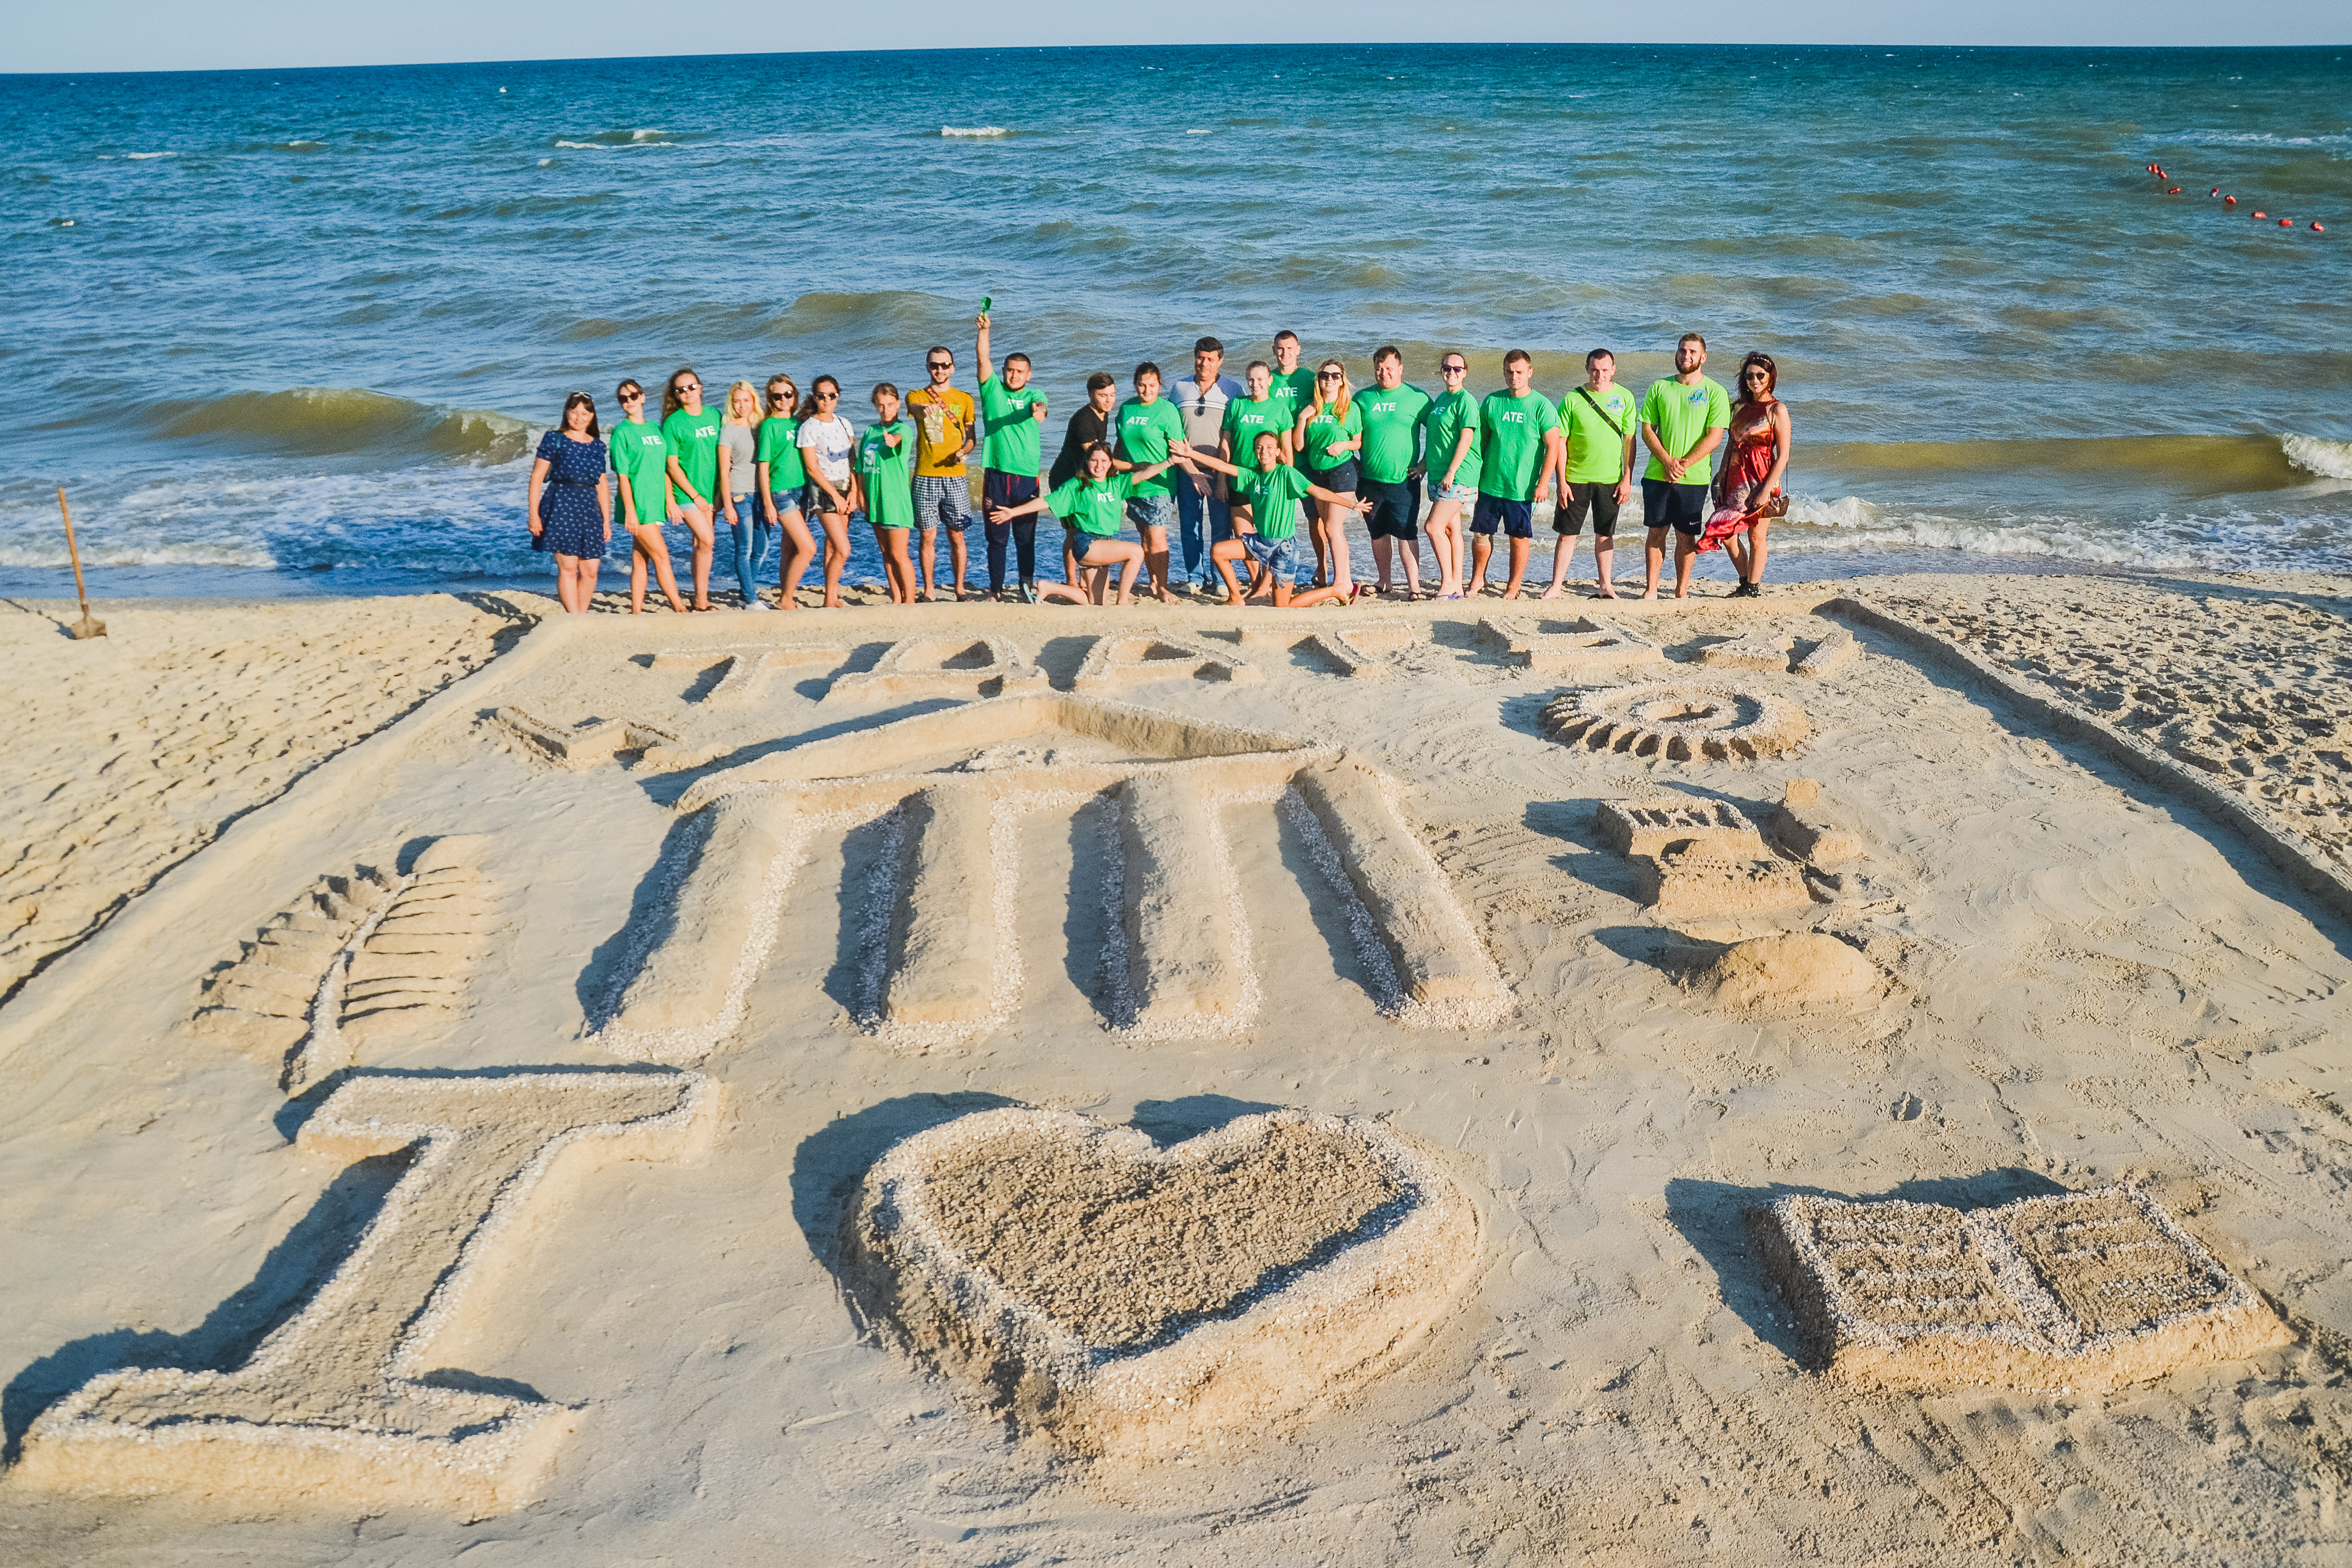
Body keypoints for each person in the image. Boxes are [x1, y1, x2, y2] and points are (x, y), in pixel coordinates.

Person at [983, 442, 1184, 607]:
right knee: (1136, 552)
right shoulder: (1077, 487)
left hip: (1103, 546)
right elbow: (1046, 502)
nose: (1099, 465)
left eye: (1104, 461)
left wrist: (1170, 461)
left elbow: (1144, 474)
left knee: (1096, 603)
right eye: (1094, 460)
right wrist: (1013, 512)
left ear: (1110, 463)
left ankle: (1048, 587)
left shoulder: (1116, 484)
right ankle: (1123, 602)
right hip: (1087, 544)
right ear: (1087, 462)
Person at [1181, 433, 1367, 609]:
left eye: (1270, 447)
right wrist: (1190, 453)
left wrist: (1352, 505)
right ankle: (1236, 598)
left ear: (1278, 452)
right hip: (1261, 543)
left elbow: (1318, 492)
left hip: (1283, 549)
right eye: (1259, 448)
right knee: (1218, 551)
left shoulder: (1286, 474)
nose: (1264, 452)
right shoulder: (1252, 477)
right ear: (1255, 451)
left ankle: (1335, 590)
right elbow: (1222, 466)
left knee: (1283, 606)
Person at [1638, 332, 1732, 600]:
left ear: (1703, 357)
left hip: (1694, 478)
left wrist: (1685, 464)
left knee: (1686, 537)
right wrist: (1667, 462)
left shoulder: (1715, 392)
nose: (1686, 356)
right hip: (1658, 474)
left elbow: (1714, 437)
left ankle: (1681, 591)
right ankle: (1652, 589)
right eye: (1682, 351)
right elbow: (1647, 430)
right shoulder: (1660, 387)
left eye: (1692, 352)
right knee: (1656, 533)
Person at [1541, 349, 1638, 601]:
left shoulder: (1625, 397)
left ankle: (1606, 586)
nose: (1600, 375)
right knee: (1567, 534)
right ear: (1587, 369)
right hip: (1575, 478)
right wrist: (1561, 481)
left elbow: (1630, 441)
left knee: (1605, 534)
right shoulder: (1572, 398)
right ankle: (1556, 586)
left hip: (1611, 479)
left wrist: (1627, 479)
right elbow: (1561, 442)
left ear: (1613, 370)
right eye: (1595, 370)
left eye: (1605, 370)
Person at [1470, 350, 1563, 599]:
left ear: (1530, 372)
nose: (1514, 377)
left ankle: (1514, 585)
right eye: (1510, 372)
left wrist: (1543, 483)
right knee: (1481, 534)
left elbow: (1553, 447)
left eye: (1520, 372)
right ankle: (1478, 578)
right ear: (1504, 373)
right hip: (1490, 483)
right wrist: (1474, 478)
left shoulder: (1541, 406)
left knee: (1518, 537)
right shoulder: (1492, 402)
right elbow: (1480, 443)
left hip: (1521, 487)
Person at [974, 310, 1049, 602]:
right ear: (1004, 371)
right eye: (1010, 370)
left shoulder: (1033, 395)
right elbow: (983, 359)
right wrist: (984, 331)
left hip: (1027, 477)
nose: (1014, 375)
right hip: (996, 474)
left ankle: (1026, 590)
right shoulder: (991, 389)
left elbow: (1041, 406)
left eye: (1020, 371)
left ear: (1029, 375)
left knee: (1025, 538)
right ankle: (995, 591)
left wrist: (1039, 412)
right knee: (997, 537)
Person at [1703, 352, 1793, 597]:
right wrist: (1720, 477)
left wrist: (1765, 490)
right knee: (1726, 533)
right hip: (1735, 478)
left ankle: (1751, 587)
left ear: (1771, 377)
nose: (1755, 380)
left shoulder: (1777, 410)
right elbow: (1731, 444)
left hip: (1762, 479)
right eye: (1750, 376)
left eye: (1760, 375)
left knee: (1756, 536)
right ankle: (1745, 580)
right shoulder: (1738, 407)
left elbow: (1783, 455)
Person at [1168, 336, 1242, 593]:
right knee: (1190, 525)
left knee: (1221, 525)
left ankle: (1220, 579)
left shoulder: (1233, 390)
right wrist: (1190, 470)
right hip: (1187, 469)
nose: (1204, 364)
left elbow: (1235, 434)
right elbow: (1172, 431)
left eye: (1211, 359)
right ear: (1195, 358)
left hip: (1218, 468)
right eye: (1200, 358)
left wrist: (1225, 473)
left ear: (1220, 361)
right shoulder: (1179, 388)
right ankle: (1195, 577)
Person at [607, 379, 687, 615]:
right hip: (637, 503)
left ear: (643, 397)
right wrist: (630, 512)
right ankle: (679, 607)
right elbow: (622, 477)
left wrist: (670, 501)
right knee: (661, 555)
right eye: (623, 399)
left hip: (655, 501)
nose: (629, 401)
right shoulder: (622, 433)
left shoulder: (654, 428)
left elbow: (664, 469)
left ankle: (636, 610)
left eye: (633, 396)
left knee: (641, 558)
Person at [527, 391, 611, 614]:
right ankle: (574, 618)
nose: (579, 417)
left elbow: (602, 485)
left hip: (590, 509)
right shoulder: (554, 439)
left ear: (592, 416)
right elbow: (537, 477)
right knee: (569, 567)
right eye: (574, 412)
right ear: (566, 413)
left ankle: (581, 615)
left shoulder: (597, 445)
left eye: (584, 413)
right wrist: (533, 514)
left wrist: (606, 521)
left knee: (591, 570)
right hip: (561, 504)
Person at [1358, 346, 1432, 597]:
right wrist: (1353, 465)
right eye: (1379, 369)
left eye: (1389, 368)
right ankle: (1384, 581)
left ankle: (1414, 586)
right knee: (1378, 532)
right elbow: (1347, 432)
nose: (1384, 374)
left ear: (1400, 369)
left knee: (1406, 532)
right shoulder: (1363, 398)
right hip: (1370, 480)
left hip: (1404, 480)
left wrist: (1424, 465)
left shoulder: (1417, 398)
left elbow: (1439, 432)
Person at [906, 344, 978, 601]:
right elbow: (913, 408)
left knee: (957, 535)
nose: (940, 370)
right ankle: (929, 590)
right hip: (925, 475)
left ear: (953, 368)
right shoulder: (916, 395)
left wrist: (963, 451)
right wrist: (923, 410)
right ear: (928, 368)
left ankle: (959, 588)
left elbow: (972, 438)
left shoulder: (965, 399)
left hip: (955, 475)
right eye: (934, 365)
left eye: (945, 365)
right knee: (928, 535)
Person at [1112, 362, 1188, 602]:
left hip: (1160, 483)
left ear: (1159, 385)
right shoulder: (1126, 409)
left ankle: (1163, 586)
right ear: (1135, 385)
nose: (1147, 390)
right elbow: (1121, 443)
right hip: (1132, 482)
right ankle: (1153, 582)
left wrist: (1195, 474)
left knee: (1157, 538)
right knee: (1144, 537)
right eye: (1142, 385)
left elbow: (1179, 448)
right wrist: (1113, 468)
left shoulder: (1167, 411)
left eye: (1152, 385)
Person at [1296, 359, 1365, 595]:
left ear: (1342, 381)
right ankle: (1345, 582)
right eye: (1325, 376)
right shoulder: (1310, 407)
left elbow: (1358, 442)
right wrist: (1302, 419)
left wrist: (1343, 445)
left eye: (1335, 376)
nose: (1330, 380)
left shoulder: (1349, 408)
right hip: (1317, 474)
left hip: (1342, 471)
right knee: (1328, 529)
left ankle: (1341, 584)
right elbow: (1299, 446)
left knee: (1333, 528)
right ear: (1319, 380)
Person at [1049, 371, 1120, 595]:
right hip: (1066, 480)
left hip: (1084, 479)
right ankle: (1072, 581)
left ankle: (1086, 578)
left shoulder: (1103, 414)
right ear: (1091, 395)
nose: (1109, 400)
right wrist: (1134, 467)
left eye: (1112, 395)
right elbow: (1099, 456)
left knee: (1086, 528)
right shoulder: (1084, 420)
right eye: (1103, 395)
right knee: (1074, 531)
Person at [659, 368, 721, 611]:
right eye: (681, 389)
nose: (688, 392)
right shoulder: (673, 423)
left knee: (701, 544)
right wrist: (694, 496)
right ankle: (702, 599)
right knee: (707, 540)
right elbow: (672, 466)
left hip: (711, 491)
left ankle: (700, 598)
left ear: (700, 388)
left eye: (692, 387)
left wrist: (720, 493)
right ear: (676, 394)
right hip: (686, 493)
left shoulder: (715, 415)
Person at [1421, 353, 1478, 601]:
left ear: (1465, 372)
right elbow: (1437, 439)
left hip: (1459, 473)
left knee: (1433, 527)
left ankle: (1448, 584)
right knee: (1452, 529)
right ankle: (1457, 587)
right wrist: (1423, 466)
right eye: (1447, 368)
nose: (1451, 372)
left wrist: (1452, 471)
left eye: (1457, 368)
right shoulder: (1442, 399)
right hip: (1438, 472)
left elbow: (1467, 438)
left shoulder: (1466, 401)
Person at [794, 377, 856, 609]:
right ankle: (830, 597)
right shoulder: (809, 428)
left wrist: (854, 491)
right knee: (843, 548)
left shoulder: (844, 423)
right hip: (824, 489)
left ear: (838, 396)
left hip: (845, 486)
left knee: (833, 545)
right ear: (814, 397)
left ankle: (831, 596)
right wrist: (836, 496)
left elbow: (852, 461)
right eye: (821, 396)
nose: (827, 400)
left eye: (831, 395)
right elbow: (812, 468)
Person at [854, 382, 918, 603]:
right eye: (881, 405)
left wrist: (892, 441)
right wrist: (861, 494)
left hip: (895, 500)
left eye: (890, 405)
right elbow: (860, 467)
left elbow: (898, 440)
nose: (885, 409)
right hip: (875, 500)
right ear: (875, 405)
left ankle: (910, 601)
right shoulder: (870, 431)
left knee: (899, 554)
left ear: (898, 405)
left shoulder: (903, 430)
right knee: (886, 552)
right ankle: (897, 598)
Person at [757, 374, 816, 611]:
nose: (783, 399)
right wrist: (768, 503)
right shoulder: (769, 426)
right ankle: (786, 599)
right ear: (770, 399)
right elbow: (763, 467)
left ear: (794, 396)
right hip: (780, 492)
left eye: (788, 394)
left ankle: (785, 593)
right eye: (777, 396)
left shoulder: (800, 424)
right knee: (808, 548)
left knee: (789, 548)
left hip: (802, 490)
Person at [716, 380, 770, 610]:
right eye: (737, 401)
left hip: (762, 495)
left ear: (754, 401)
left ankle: (745, 593)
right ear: (732, 404)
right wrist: (728, 505)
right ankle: (751, 599)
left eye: (746, 400)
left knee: (761, 549)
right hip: (740, 495)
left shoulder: (762, 426)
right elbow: (724, 471)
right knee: (744, 549)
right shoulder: (728, 430)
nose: (742, 406)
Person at [1267, 331, 1314, 449]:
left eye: (1289, 348)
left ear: (1298, 350)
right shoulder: (1267, 380)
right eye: (1280, 348)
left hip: (1304, 444)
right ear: (1274, 350)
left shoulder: (1311, 379)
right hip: (1276, 445)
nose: (1285, 353)